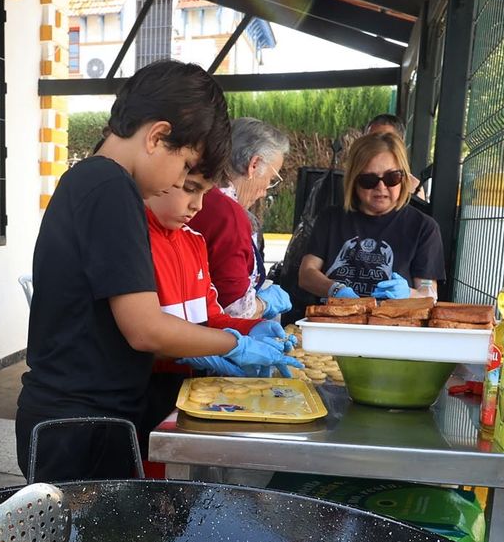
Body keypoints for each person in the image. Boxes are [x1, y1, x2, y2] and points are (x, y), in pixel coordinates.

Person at [17, 61, 296, 482]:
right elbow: (144, 328)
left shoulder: (95, 182)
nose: (177, 184)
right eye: (186, 168)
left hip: (86, 419)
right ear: (157, 136)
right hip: (75, 425)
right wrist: (231, 344)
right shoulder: (111, 188)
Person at [136, 168, 272, 449]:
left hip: (188, 395)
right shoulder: (136, 243)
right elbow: (142, 335)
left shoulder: (194, 242)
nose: (197, 205)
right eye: (189, 188)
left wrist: (255, 329)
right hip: (140, 396)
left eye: (205, 193)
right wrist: (218, 348)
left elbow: (212, 317)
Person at [296, 131, 444, 301]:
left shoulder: (423, 227)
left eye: (391, 177)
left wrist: (409, 294)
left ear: (403, 178)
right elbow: (306, 273)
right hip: (334, 321)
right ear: (354, 180)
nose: (381, 187)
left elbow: (429, 294)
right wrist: (335, 289)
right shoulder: (330, 219)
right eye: (369, 180)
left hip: (393, 324)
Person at [187, 117, 293, 320]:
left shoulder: (201, 198)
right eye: (271, 180)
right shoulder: (227, 213)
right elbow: (236, 309)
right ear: (254, 165)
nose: (263, 193)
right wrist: (266, 303)